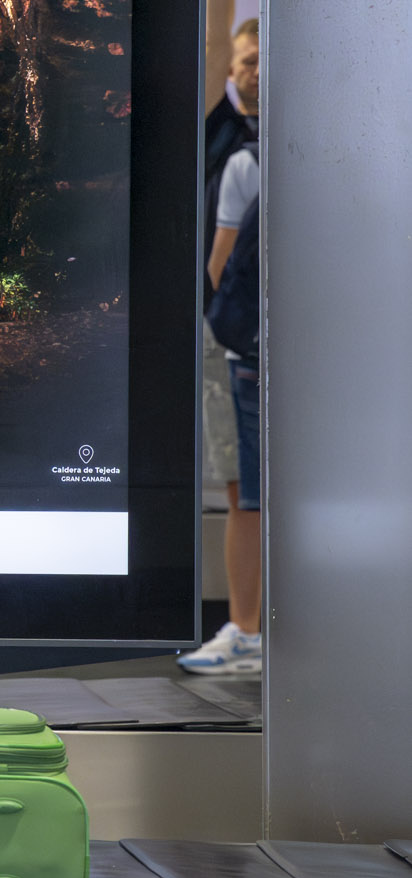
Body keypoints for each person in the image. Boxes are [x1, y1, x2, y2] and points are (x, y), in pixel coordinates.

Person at [182, 39, 264, 677]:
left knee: (244, 492)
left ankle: (247, 629)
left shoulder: (242, 159)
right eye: (248, 61)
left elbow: (220, 263)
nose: (254, 71)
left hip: (243, 348)